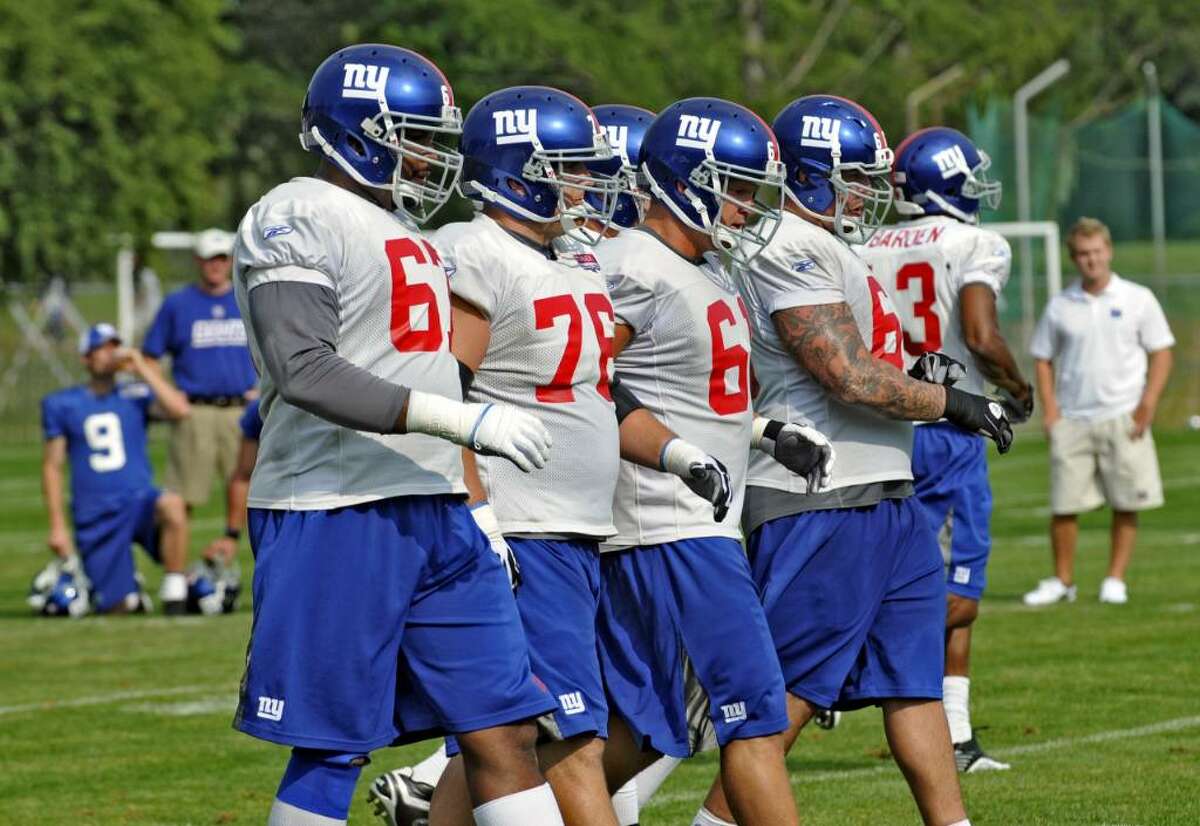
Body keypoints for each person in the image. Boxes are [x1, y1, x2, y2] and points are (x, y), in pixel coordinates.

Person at [231, 44, 567, 826]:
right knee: (331, 745)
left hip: (435, 507)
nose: (428, 154)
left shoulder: (403, 227)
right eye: (410, 134)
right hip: (336, 506)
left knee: (505, 729)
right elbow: (302, 368)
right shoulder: (297, 211)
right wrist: (465, 422)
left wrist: (472, 499)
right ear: (356, 131)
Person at [418, 86, 734, 826]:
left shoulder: (576, 259)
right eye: (571, 167)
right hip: (526, 529)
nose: (589, 182)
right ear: (519, 171)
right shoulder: (476, 251)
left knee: (517, 737)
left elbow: (597, 394)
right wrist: (480, 516)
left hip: (580, 532)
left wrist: (676, 454)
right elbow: (445, 401)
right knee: (573, 739)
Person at [698, 95, 1014, 826]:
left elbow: (876, 360)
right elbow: (846, 375)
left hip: (886, 490)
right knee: (787, 701)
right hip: (822, 495)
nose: (872, 194)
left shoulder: (835, 246)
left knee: (916, 681)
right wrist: (956, 404)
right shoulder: (788, 246)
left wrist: (928, 374)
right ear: (810, 177)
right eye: (857, 178)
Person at [596, 96, 838, 826]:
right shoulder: (633, 264)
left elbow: (691, 392)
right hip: (667, 522)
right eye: (734, 188)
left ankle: (504, 796)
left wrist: (763, 434)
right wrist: (673, 456)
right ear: (687, 178)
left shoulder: (703, 269)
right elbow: (579, 378)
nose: (745, 207)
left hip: (698, 521)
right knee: (757, 713)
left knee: (645, 730)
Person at [858, 126, 1031, 772]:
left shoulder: (868, 244)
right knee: (957, 593)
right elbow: (981, 335)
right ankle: (870, 680)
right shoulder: (974, 243)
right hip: (953, 431)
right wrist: (1015, 385)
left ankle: (954, 735)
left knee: (906, 576)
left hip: (890, 424)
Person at [1023, 217, 1174, 606]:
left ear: (1108, 251)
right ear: (1073, 258)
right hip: (1073, 418)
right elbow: (1042, 357)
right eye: (1083, 254)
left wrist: (1148, 404)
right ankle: (1063, 581)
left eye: (1097, 252)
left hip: (1124, 414)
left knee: (1127, 502)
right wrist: (1051, 410)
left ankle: (1114, 580)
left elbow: (1161, 353)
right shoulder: (1060, 305)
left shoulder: (1137, 298)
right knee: (1064, 506)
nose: (1091, 260)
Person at [36, 322, 191, 615]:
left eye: (113, 347)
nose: (109, 355)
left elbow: (180, 410)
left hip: (138, 501)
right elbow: (53, 467)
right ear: (85, 358)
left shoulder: (135, 394)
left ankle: (175, 591)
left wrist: (142, 368)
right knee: (118, 607)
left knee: (172, 504)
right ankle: (125, 587)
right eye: (100, 349)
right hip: (96, 513)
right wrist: (57, 526)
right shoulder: (62, 403)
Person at [142, 226, 257, 509]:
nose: (216, 265)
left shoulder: (248, 299)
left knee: (251, 494)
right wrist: (168, 396)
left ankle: (231, 550)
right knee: (180, 499)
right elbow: (149, 357)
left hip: (241, 411)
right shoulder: (178, 304)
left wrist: (262, 389)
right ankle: (177, 555)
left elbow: (272, 348)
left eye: (221, 258)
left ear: (231, 260)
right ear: (197, 260)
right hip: (195, 413)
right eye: (209, 258)